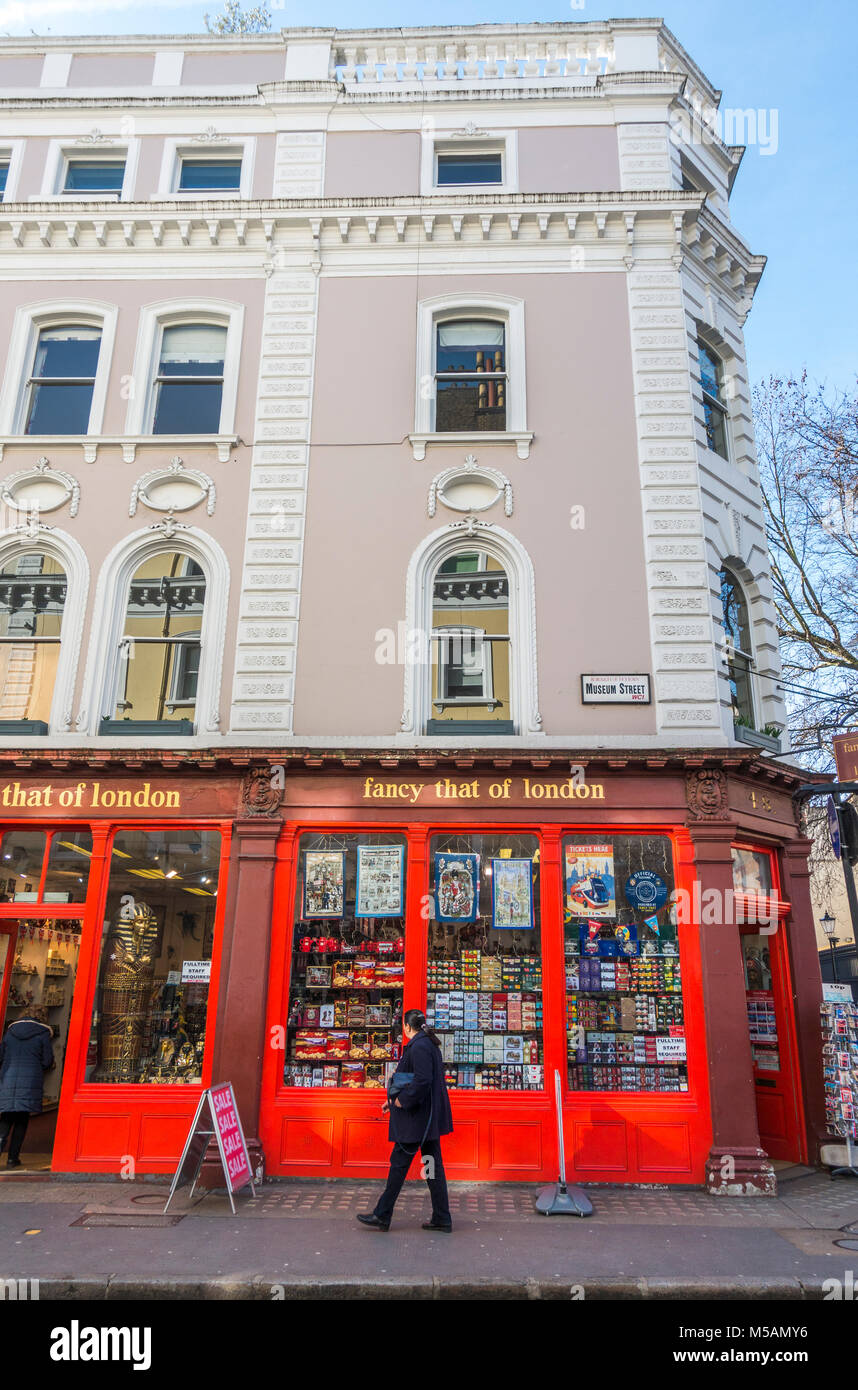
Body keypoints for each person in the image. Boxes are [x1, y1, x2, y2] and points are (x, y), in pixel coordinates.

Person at [358, 1007, 454, 1233]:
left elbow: (421, 1081)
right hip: (426, 1120)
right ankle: (442, 1217)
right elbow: (417, 1080)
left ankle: (382, 1214)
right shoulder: (427, 1043)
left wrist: (401, 1102)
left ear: (406, 1026)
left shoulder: (419, 1046)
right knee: (432, 1168)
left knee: (399, 1165)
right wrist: (392, 1102)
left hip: (417, 1120)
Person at [0, 1005, 55, 1169]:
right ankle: (12, 1158)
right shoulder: (43, 1033)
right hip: (30, 1080)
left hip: (8, 1078)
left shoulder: (11, 1031)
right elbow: (47, 1060)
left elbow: (2, 1055)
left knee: (6, 1117)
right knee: (22, 1119)